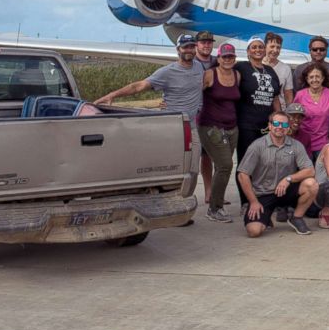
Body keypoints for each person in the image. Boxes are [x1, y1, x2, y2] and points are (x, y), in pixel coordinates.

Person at [95, 34, 204, 225]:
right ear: (178, 50)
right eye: (185, 47)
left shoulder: (199, 67)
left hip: (191, 127)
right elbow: (140, 86)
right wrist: (113, 95)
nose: (189, 50)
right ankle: (166, 206)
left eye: (192, 47)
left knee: (193, 169)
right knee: (170, 170)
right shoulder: (167, 72)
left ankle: (183, 207)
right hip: (172, 128)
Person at [237, 110, 318, 237]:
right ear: (270, 126)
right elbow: (243, 174)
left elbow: (310, 170)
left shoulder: (296, 145)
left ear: (288, 127)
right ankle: (266, 216)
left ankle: (297, 217)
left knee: (311, 184)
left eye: (284, 125)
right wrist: (253, 201)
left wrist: (288, 179)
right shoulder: (257, 146)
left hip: (286, 190)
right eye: (276, 123)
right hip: (263, 194)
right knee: (254, 231)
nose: (280, 127)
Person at [234, 36, 282, 213]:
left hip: (266, 126)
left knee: (267, 163)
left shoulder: (270, 71)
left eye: (260, 47)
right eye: (253, 47)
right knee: (246, 164)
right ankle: (245, 201)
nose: (257, 50)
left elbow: (275, 98)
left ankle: (266, 199)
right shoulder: (241, 68)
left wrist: (280, 119)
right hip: (246, 124)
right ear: (247, 51)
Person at [199, 42, 241, 223]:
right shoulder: (209, 74)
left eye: (231, 56)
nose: (227, 60)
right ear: (219, 58)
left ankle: (217, 202)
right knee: (225, 165)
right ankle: (214, 209)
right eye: (224, 56)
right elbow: (194, 92)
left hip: (232, 127)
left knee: (221, 168)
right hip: (211, 126)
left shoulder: (237, 75)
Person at [293, 61, 329, 160]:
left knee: (322, 173)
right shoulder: (300, 95)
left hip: (323, 143)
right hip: (302, 142)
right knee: (305, 172)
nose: (314, 80)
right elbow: (294, 118)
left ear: (323, 78)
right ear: (307, 79)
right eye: (311, 77)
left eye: (317, 76)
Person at [193, 31, 219, 203]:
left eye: (209, 42)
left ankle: (216, 192)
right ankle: (208, 191)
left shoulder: (217, 62)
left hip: (214, 114)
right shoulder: (190, 62)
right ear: (197, 45)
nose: (207, 45)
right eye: (203, 42)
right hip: (195, 115)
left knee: (215, 155)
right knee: (202, 156)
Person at [262, 32, 294, 109]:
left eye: (278, 47)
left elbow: (288, 94)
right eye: (272, 46)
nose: (275, 50)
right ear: (265, 46)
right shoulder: (257, 65)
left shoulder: (286, 68)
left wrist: (289, 114)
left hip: (280, 112)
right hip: (260, 110)